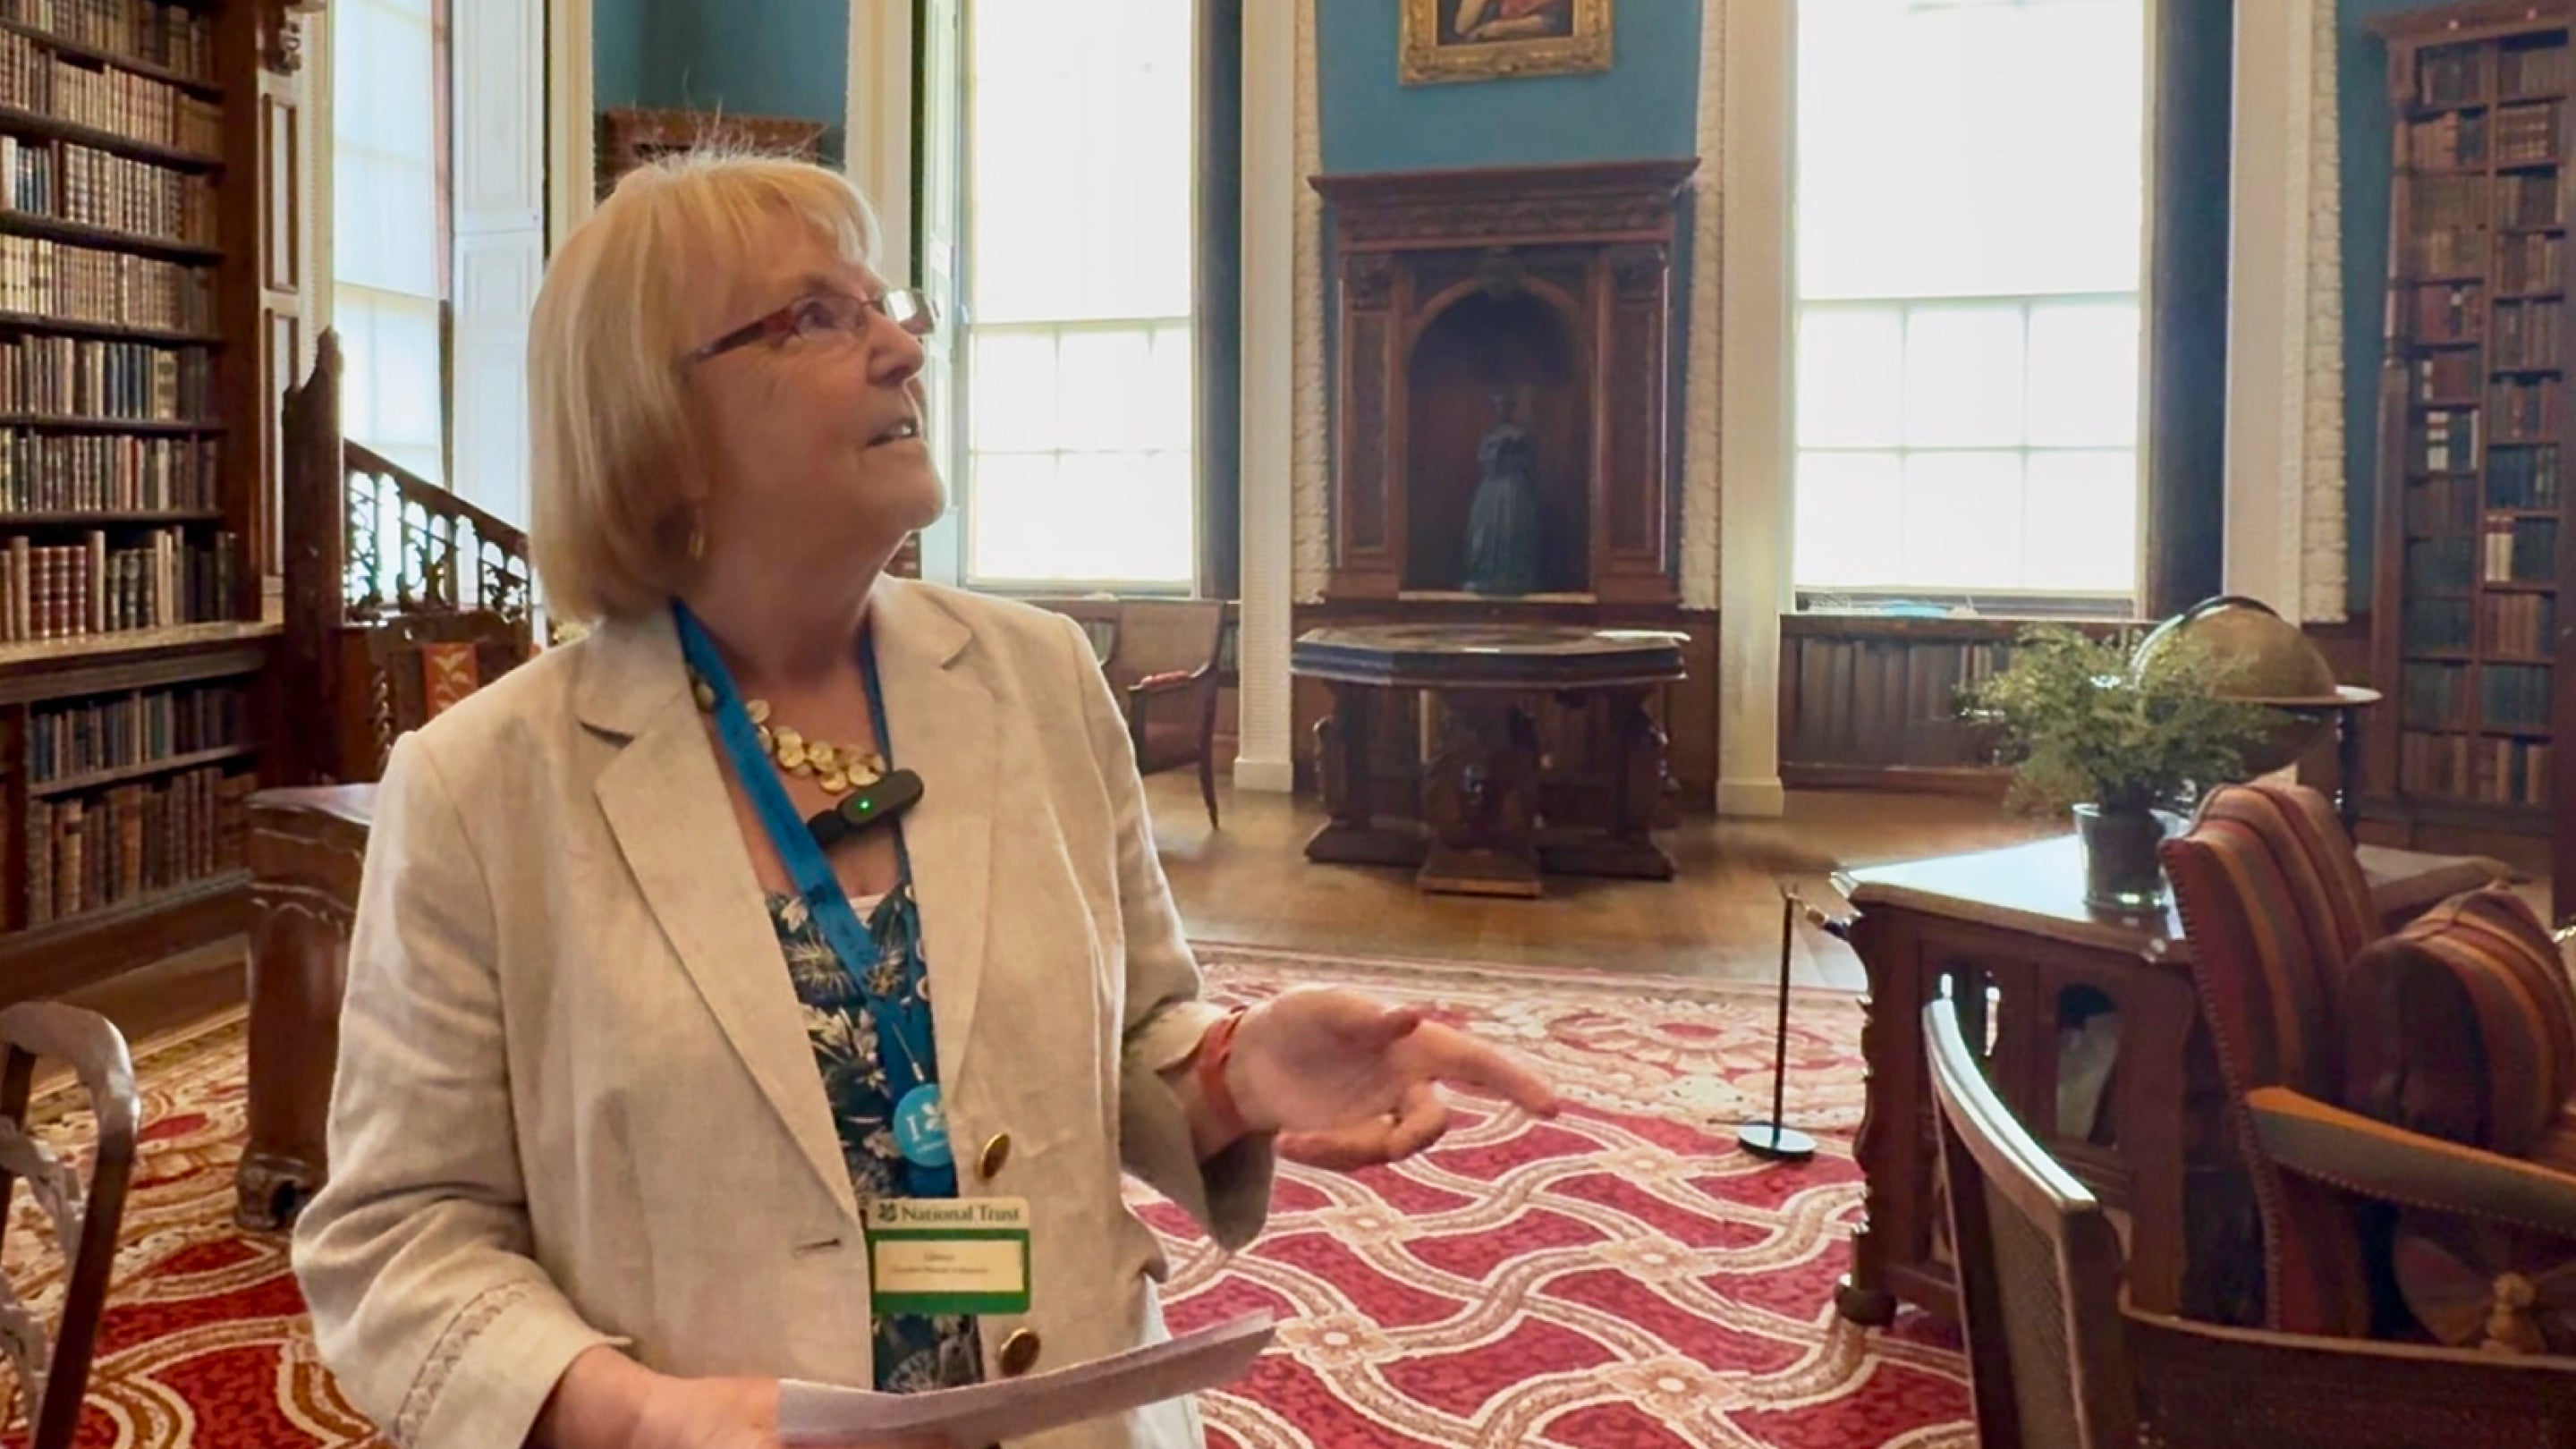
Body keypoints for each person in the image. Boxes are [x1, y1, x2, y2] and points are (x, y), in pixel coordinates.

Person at [287, 151, 1561, 1449]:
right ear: (653, 423)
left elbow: (1126, 1043)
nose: (903, 347)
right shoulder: (479, 785)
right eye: (820, 316)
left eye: (888, 303)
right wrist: (627, 1418)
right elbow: (396, 1238)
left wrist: (1235, 1073)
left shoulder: (1038, 677)